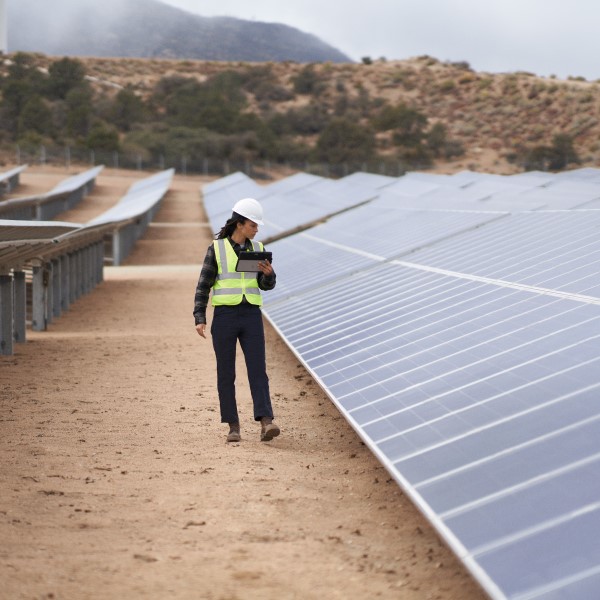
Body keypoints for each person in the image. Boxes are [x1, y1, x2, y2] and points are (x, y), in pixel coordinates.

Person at [193, 197, 280, 443]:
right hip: (225, 317)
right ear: (240, 224)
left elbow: (265, 286)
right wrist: (200, 316)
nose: (257, 229)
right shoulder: (217, 249)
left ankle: (266, 422)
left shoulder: (258, 248)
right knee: (226, 373)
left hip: (251, 315)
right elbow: (203, 284)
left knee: (258, 371)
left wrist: (269, 275)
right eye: (253, 225)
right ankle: (233, 425)